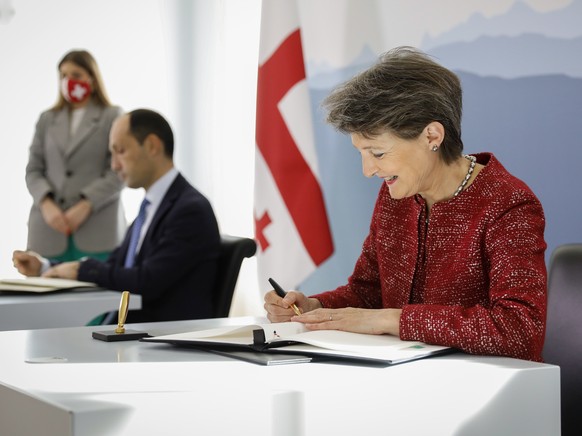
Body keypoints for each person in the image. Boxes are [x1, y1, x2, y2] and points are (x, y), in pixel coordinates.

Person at [264, 46, 547, 362]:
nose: (368, 170)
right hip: (403, 376)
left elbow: (520, 331)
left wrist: (392, 319)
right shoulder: (395, 196)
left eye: (378, 153)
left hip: (483, 388)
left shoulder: (508, 204)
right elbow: (367, 293)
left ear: (431, 136)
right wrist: (315, 307)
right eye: (361, 153)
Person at [13, 109, 221, 323]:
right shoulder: (151, 206)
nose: (114, 165)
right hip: (135, 335)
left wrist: (81, 269)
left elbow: (147, 282)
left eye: (120, 151)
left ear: (152, 146)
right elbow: (117, 266)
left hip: (161, 338)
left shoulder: (189, 210)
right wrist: (47, 267)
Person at [25, 49, 125, 263]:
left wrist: (85, 205)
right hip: (48, 229)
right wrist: (46, 204)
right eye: (63, 76)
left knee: (100, 294)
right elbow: (33, 170)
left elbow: (118, 171)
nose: (68, 81)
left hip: (97, 228)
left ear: (92, 77)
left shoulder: (112, 116)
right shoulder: (47, 119)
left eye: (76, 75)